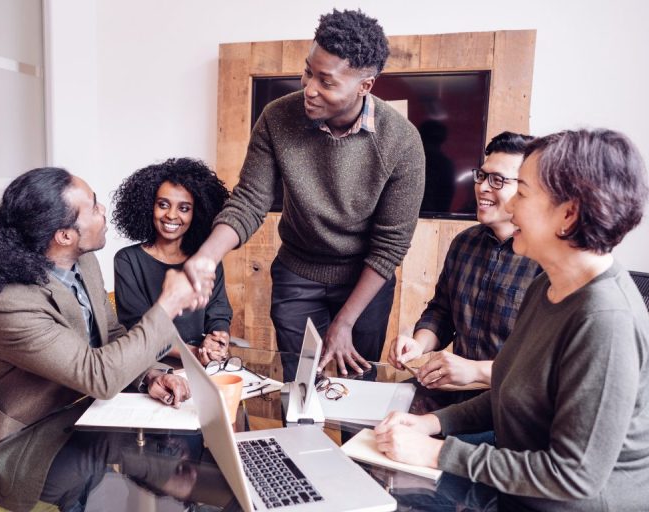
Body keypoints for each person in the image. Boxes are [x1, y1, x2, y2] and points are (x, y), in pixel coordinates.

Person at [375, 129, 649, 510]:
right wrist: (432, 425)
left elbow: (573, 477)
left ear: (568, 213)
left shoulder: (607, 320)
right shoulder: (548, 289)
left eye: (522, 193)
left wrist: (437, 454)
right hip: (517, 484)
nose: (512, 206)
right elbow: (510, 390)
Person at [184, 9, 426, 375]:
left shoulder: (402, 141)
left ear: (365, 86)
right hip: (297, 272)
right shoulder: (277, 117)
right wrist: (206, 256)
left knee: (356, 390)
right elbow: (250, 199)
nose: (309, 89)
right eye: (308, 71)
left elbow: (390, 246)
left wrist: (344, 323)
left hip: (365, 279)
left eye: (326, 82)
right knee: (298, 388)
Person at [0, 167, 209, 458]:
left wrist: (150, 376)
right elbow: (97, 376)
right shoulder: (6, 302)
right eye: (93, 206)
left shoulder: (85, 263)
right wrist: (169, 304)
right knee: (151, 464)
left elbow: (111, 336)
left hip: (82, 415)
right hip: (21, 443)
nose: (103, 210)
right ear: (64, 235)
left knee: (174, 450)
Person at [390, 132, 539, 390]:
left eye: (498, 180)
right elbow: (441, 312)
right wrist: (418, 344)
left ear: (527, 189)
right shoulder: (465, 243)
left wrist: (473, 371)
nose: (482, 187)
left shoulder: (543, 260)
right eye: (481, 176)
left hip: (506, 398)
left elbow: (540, 364)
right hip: (453, 388)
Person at [111, 158, 232, 365]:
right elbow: (137, 327)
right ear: (149, 206)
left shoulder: (204, 261)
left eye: (184, 208)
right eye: (163, 205)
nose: (172, 215)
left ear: (197, 213)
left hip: (204, 364)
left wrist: (218, 340)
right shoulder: (128, 260)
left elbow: (218, 311)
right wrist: (194, 352)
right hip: (151, 368)